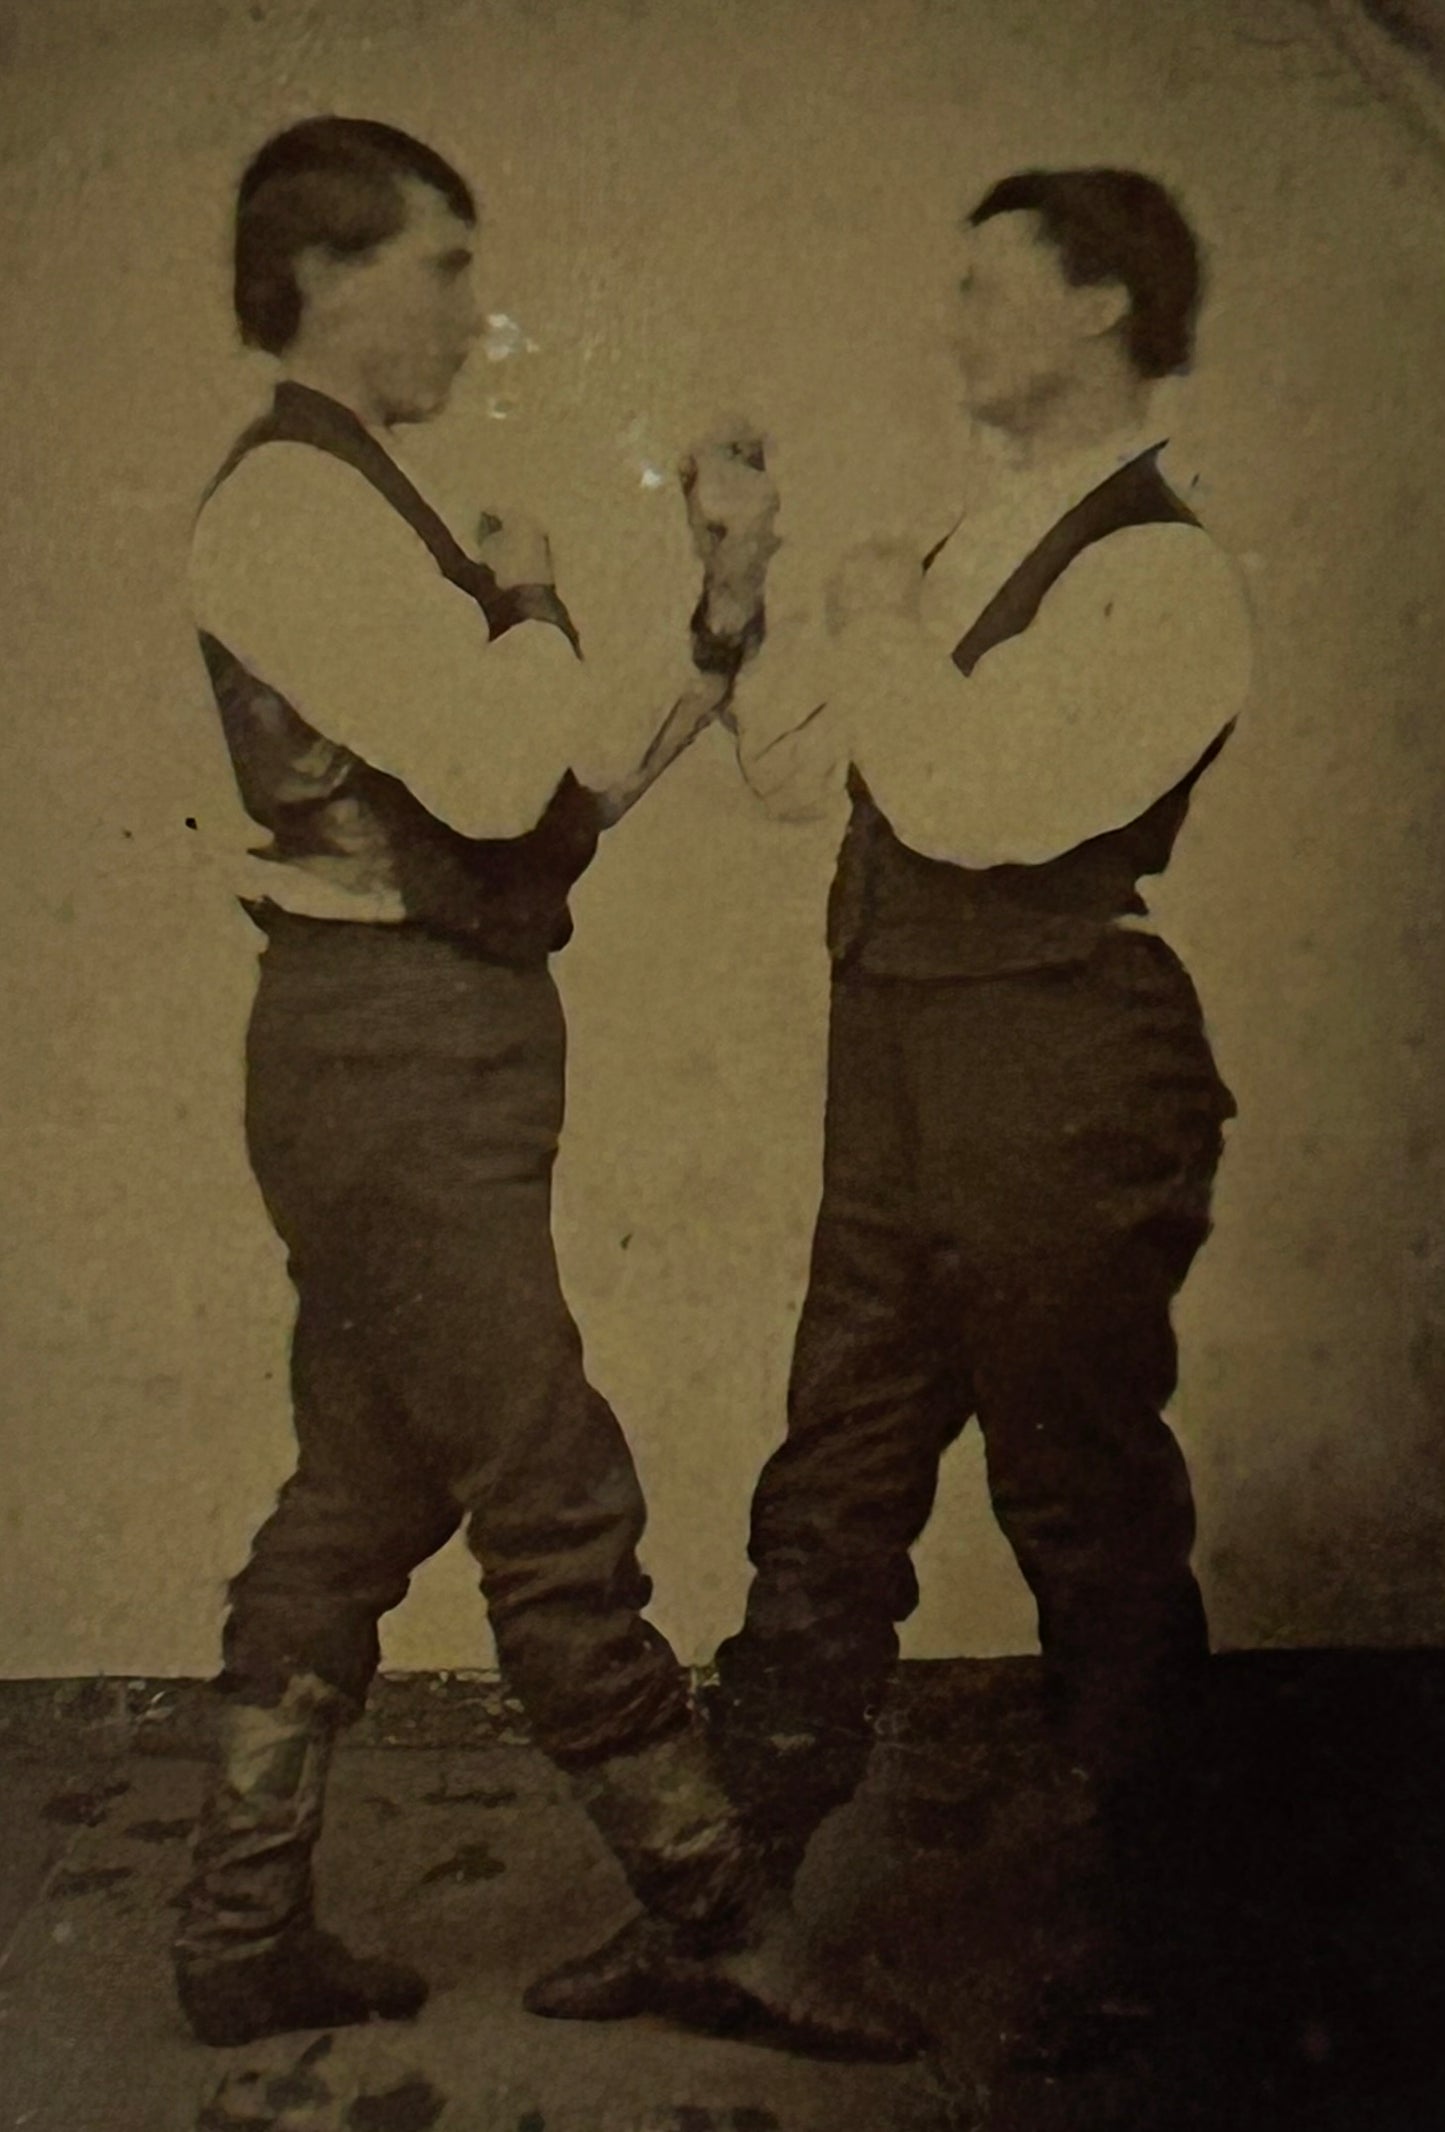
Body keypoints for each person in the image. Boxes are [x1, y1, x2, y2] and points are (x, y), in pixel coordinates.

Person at [173, 114, 879, 2059]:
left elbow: (539, 799)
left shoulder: (359, 505)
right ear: (323, 274)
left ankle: (240, 1933)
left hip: (419, 1047)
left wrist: (716, 606)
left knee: (356, 1494)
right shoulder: (291, 513)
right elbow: (501, 772)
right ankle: (722, 1922)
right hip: (389, 1063)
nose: (478, 318)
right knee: (551, 1490)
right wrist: (543, 605)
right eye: (444, 267)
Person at [694, 168, 1255, 2057]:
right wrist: (770, 591)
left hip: (1060, 1064)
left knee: (1078, 1496)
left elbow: (972, 806)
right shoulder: (959, 535)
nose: (948, 328)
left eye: (982, 290)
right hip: (904, 1058)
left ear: (1103, 304)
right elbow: (796, 783)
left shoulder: (1162, 567)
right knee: (832, 1475)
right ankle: (727, 1918)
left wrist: (871, 620)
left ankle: (1152, 1949)